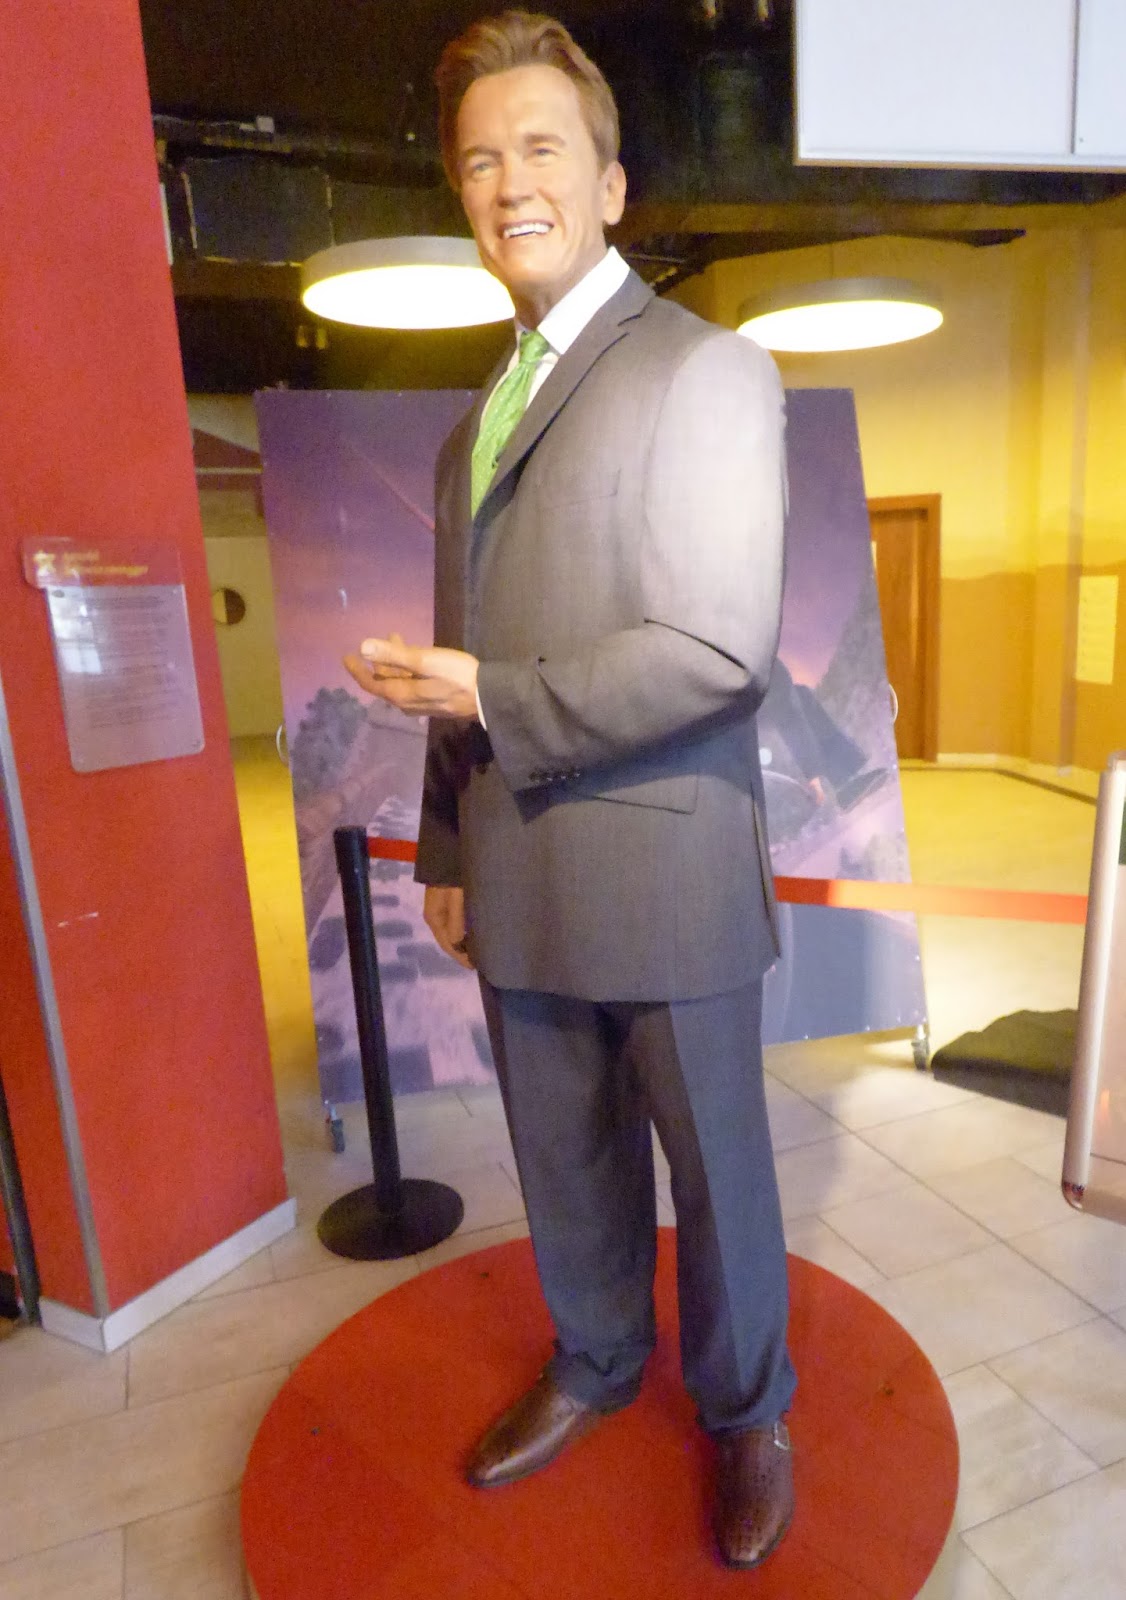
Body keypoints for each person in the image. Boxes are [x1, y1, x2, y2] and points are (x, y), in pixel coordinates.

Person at [344, 9, 795, 1570]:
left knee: (716, 1175)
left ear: (609, 185)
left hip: (666, 868)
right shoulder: (476, 423)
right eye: (479, 160)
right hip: (516, 864)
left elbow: (716, 651)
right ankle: (596, 1360)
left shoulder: (706, 371)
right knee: (562, 1157)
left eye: (540, 147)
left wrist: (488, 697)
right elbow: (457, 656)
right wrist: (445, 848)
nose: (507, 181)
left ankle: (747, 1411)